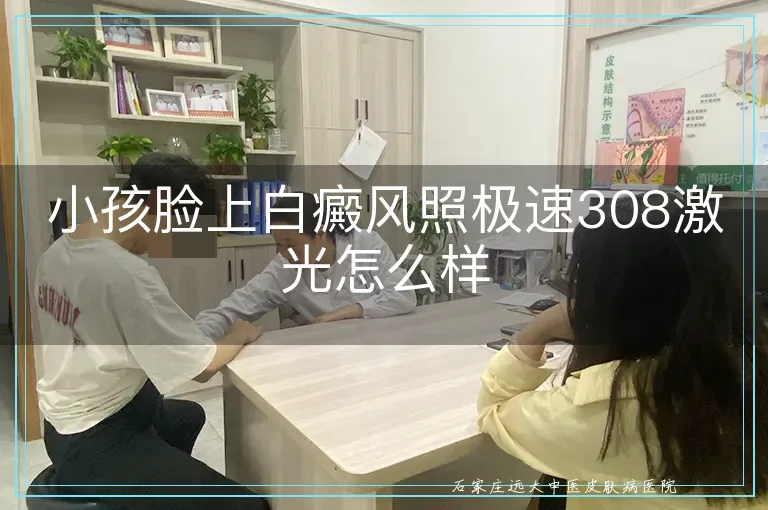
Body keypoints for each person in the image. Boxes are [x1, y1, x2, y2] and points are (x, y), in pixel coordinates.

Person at [477, 195, 767, 509]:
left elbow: (494, 411)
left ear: (606, 299)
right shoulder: (745, 374)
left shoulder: (608, 408)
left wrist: (541, 327)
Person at [35, 153, 271, 509]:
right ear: (159, 204)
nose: (167, 241)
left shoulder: (56, 252)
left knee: (188, 416)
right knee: (248, 506)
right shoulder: (125, 273)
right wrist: (239, 335)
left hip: (61, 423)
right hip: (95, 438)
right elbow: (203, 368)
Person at [195, 191, 417, 338]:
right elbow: (234, 308)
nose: (285, 254)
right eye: (278, 245)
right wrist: (193, 339)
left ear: (320, 233)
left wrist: (351, 311)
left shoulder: (366, 243)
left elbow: (404, 294)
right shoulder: (284, 268)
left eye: (291, 244)